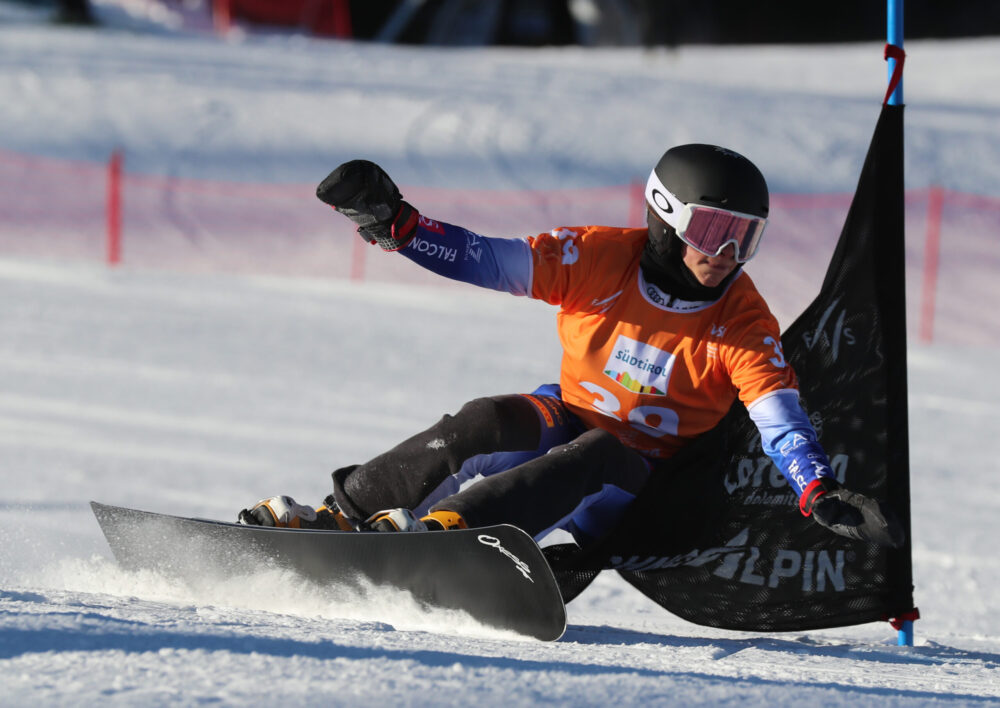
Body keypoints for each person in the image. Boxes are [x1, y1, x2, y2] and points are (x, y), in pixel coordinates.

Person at [238, 145, 903, 549]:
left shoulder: (742, 320)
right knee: (490, 419)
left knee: (599, 451)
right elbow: (487, 260)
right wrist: (404, 229)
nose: (725, 254)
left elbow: (777, 415)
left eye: (744, 238)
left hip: (657, 487)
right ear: (666, 215)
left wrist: (816, 487)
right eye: (712, 230)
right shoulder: (600, 257)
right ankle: (342, 516)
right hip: (574, 416)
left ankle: (450, 539)